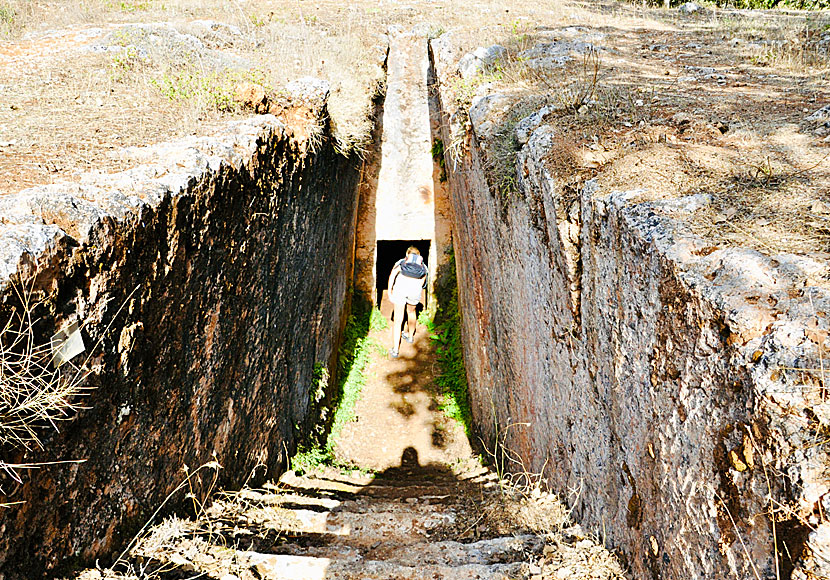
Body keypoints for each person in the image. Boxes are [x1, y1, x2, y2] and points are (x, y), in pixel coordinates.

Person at [387, 246, 428, 358]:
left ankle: (395, 349)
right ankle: (410, 336)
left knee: (398, 320)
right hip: (414, 291)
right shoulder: (423, 266)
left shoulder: (401, 263)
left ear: (407, 255)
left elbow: (392, 276)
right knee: (411, 312)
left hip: (400, 289)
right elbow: (422, 283)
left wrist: (390, 291)